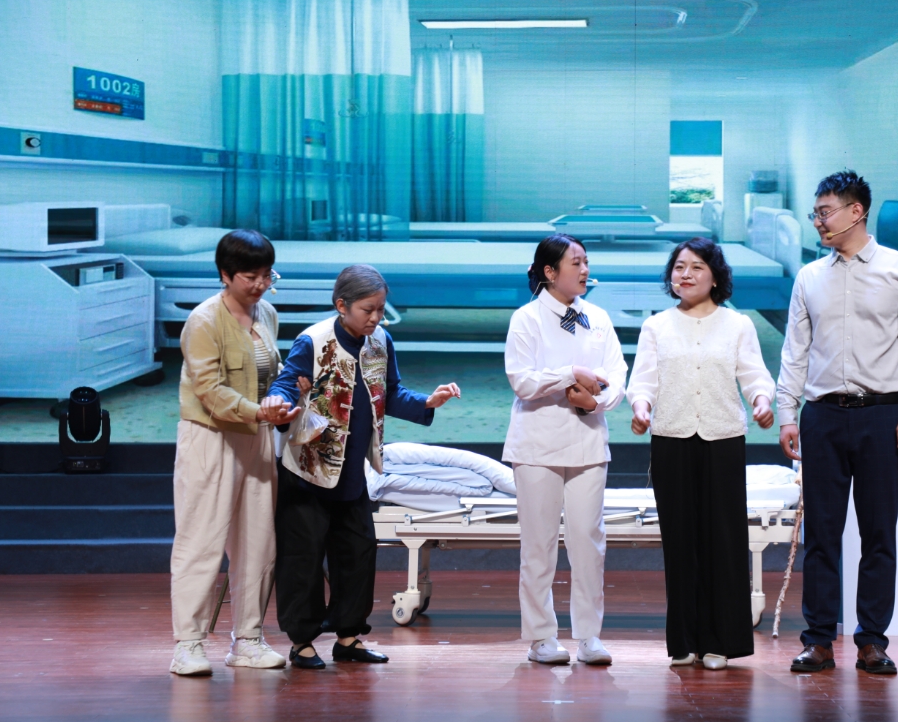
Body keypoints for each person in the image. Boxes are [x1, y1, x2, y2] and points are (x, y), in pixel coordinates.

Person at [264, 264, 460, 669]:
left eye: (381, 310)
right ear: (342, 305)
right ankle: (302, 641)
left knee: (357, 553)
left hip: (353, 470)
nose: (376, 318)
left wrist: (427, 401)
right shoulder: (313, 340)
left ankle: (348, 637)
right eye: (368, 310)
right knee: (303, 559)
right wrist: (279, 402)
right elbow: (286, 382)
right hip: (308, 470)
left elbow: (390, 392)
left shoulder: (380, 341)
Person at [777, 170, 898, 675]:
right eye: (816, 214)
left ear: (856, 211)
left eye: (825, 212)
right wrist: (787, 414)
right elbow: (794, 351)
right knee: (822, 534)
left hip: (881, 416)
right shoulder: (809, 277)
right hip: (822, 416)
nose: (818, 222)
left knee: (878, 533)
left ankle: (871, 641)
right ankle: (819, 640)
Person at [626, 237, 776, 671]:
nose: (685, 274)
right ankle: (684, 640)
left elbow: (755, 375)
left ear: (715, 276)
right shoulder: (657, 326)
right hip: (671, 439)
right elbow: (643, 381)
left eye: (695, 267)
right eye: (679, 267)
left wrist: (762, 401)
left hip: (722, 438)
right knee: (680, 543)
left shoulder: (737, 325)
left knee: (723, 542)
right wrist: (641, 408)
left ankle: (720, 641)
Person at [169, 229, 297, 677]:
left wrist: (282, 399)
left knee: (259, 543)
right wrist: (258, 411)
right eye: (250, 276)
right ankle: (188, 644)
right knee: (201, 541)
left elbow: (272, 375)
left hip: (257, 436)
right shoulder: (204, 321)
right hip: (211, 437)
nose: (260, 284)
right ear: (225, 274)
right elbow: (208, 389)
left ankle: (248, 640)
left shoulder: (267, 314)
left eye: (267, 275)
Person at [504, 234, 627, 666]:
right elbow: (522, 380)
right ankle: (541, 636)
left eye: (586, 261)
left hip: (588, 442)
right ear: (550, 272)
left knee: (588, 543)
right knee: (538, 545)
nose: (585, 269)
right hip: (537, 445)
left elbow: (617, 374)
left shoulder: (598, 317)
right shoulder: (526, 318)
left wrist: (595, 401)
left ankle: (589, 635)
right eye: (576, 262)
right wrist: (570, 373)